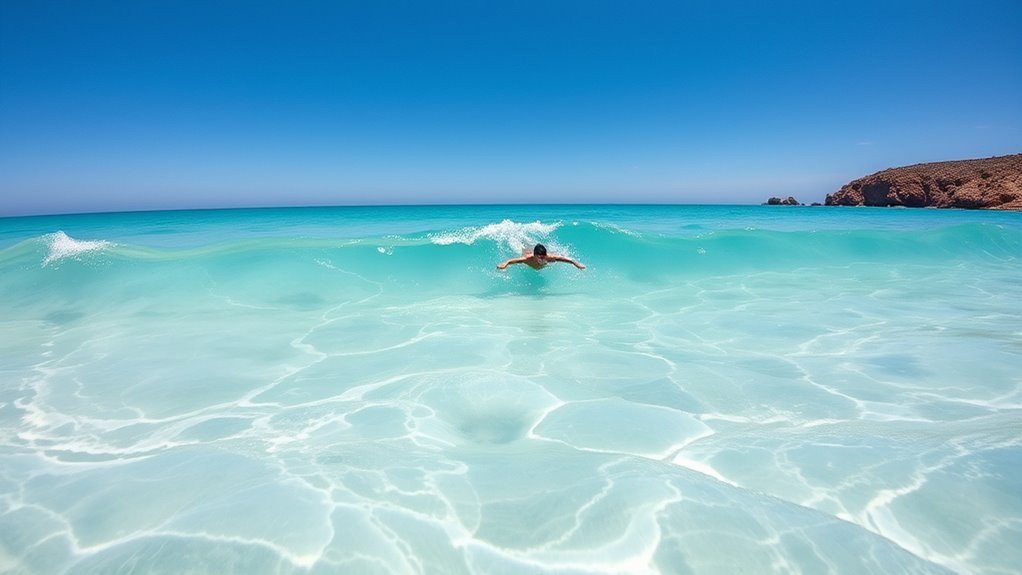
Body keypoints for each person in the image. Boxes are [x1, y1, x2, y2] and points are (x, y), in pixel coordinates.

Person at [497, 243, 586, 270]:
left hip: (539, 255)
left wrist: (577, 264)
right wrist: (505, 264)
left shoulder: (548, 257)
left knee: (555, 256)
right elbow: (510, 261)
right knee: (525, 250)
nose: (542, 259)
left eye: (543, 257)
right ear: (535, 255)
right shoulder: (527, 259)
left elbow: (566, 259)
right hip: (529, 254)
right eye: (539, 257)